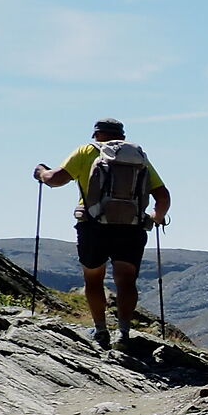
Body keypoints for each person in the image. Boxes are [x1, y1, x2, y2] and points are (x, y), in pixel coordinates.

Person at [34, 119, 170, 349]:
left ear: (97, 135)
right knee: (126, 280)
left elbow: (55, 180)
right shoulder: (138, 156)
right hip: (131, 227)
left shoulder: (87, 151)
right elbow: (163, 195)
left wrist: (41, 173)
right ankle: (123, 333)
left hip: (94, 225)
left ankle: (100, 330)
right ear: (122, 137)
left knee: (93, 278)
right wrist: (155, 217)